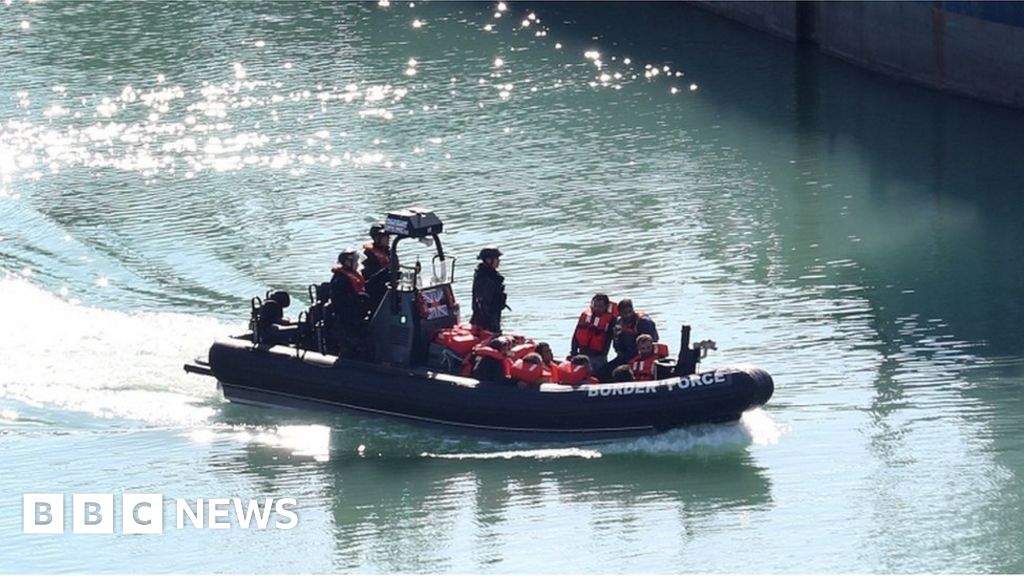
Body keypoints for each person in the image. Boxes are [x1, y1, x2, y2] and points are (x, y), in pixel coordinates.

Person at [598, 298, 659, 381]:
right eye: (624, 313)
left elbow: (652, 342)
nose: (628, 315)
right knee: (602, 371)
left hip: (643, 356)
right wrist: (616, 337)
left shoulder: (643, 322)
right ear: (620, 313)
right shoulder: (618, 324)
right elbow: (617, 348)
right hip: (625, 356)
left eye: (630, 312)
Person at [329, 250, 370, 358]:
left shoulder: (352, 275)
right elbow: (339, 301)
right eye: (355, 261)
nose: (357, 263)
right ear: (347, 262)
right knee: (354, 345)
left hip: (356, 316)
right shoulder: (340, 279)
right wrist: (355, 298)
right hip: (346, 320)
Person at [570, 293, 616, 372]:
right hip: (582, 354)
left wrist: (602, 354)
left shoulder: (611, 320)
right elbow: (575, 336)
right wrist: (573, 352)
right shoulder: (585, 316)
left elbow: (608, 339)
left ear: (606, 307)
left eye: (600, 306)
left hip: (598, 357)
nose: (597, 308)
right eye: (595, 305)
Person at [470, 246, 508, 334]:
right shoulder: (486, 279)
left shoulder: (490, 276)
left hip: (492, 316)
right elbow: (483, 303)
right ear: (488, 260)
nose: (499, 261)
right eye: (496, 258)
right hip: (487, 321)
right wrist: (490, 325)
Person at [361, 223, 391, 315]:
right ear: (377, 238)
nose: (388, 239)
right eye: (385, 237)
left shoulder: (388, 252)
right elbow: (371, 278)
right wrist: (386, 270)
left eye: (388, 236)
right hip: (375, 291)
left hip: (389, 286)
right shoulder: (368, 255)